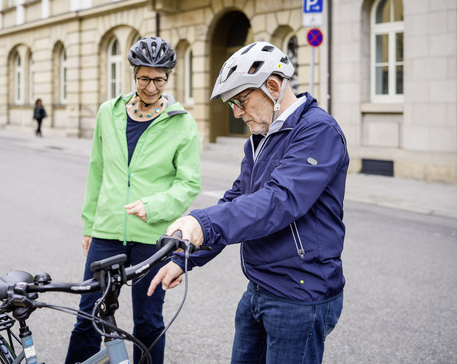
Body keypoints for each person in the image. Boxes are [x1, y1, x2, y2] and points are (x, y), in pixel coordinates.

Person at [148, 41, 349, 364]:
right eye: (232, 105)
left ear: (272, 85)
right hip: (258, 288)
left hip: (299, 295)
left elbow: (279, 201)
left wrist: (204, 222)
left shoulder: (318, 131)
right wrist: (185, 256)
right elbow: (238, 199)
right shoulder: (260, 138)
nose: (238, 113)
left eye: (241, 101)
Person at [65, 36, 201, 364]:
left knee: (149, 322)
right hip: (107, 231)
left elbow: (189, 183)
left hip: (150, 235)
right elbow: (96, 172)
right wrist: (89, 225)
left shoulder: (183, 124)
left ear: (168, 76)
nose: (151, 87)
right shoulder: (108, 114)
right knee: (88, 317)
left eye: (159, 79)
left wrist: (153, 206)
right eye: (144, 78)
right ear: (133, 74)